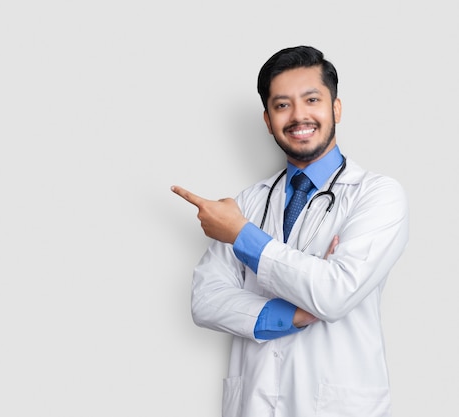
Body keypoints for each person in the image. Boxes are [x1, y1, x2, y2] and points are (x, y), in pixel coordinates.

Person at [170, 45, 409, 417]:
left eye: (311, 99)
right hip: (254, 402)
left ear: (336, 108)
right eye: (282, 105)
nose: (299, 115)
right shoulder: (249, 201)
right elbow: (206, 300)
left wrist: (240, 235)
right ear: (267, 120)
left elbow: (333, 293)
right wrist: (290, 314)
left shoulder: (377, 195)